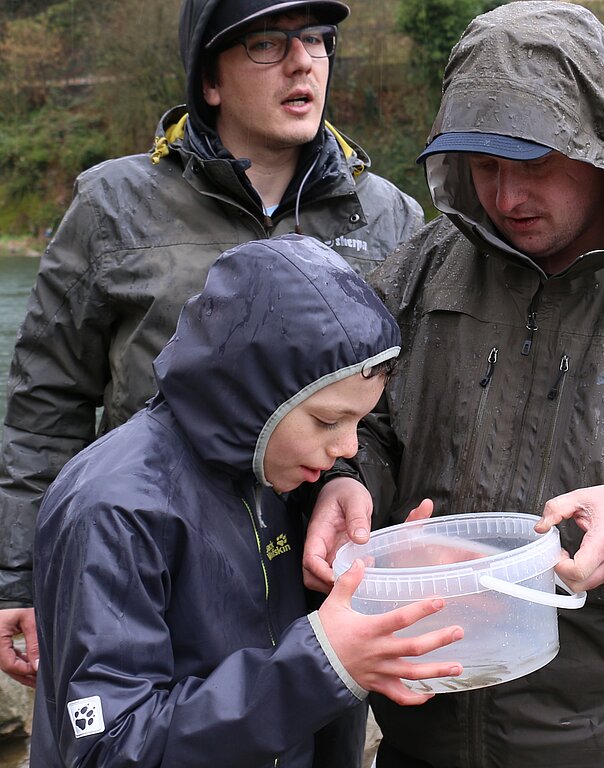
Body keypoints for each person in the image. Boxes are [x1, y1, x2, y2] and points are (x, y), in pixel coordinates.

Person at [303, 3, 604, 767]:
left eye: (532, 164)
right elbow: (366, 427)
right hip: (424, 726)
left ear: (599, 149)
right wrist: (347, 480)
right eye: (483, 167)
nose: (504, 197)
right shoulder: (418, 271)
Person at [0, 0, 424, 688]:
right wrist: (19, 578)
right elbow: (47, 401)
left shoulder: (386, 215)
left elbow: (390, 407)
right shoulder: (112, 204)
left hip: (319, 581)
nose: (301, 62)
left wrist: (349, 481)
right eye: (266, 44)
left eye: (316, 41)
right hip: (153, 572)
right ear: (210, 81)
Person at [29, 235, 463, 768]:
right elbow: (106, 745)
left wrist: (383, 578)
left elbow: (310, 640)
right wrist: (323, 664)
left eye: (360, 420)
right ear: (250, 393)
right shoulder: (112, 510)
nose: (349, 447)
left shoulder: (279, 472)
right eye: (329, 421)